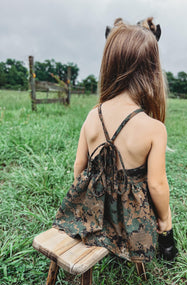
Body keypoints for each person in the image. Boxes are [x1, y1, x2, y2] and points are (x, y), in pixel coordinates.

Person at [53, 17, 177, 263]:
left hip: (94, 216)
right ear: (153, 71)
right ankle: (168, 247)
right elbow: (157, 185)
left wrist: (93, 197)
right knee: (164, 210)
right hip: (132, 226)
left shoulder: (92, 115)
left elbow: (79, 168)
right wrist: (164, 220)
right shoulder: (154, 128)